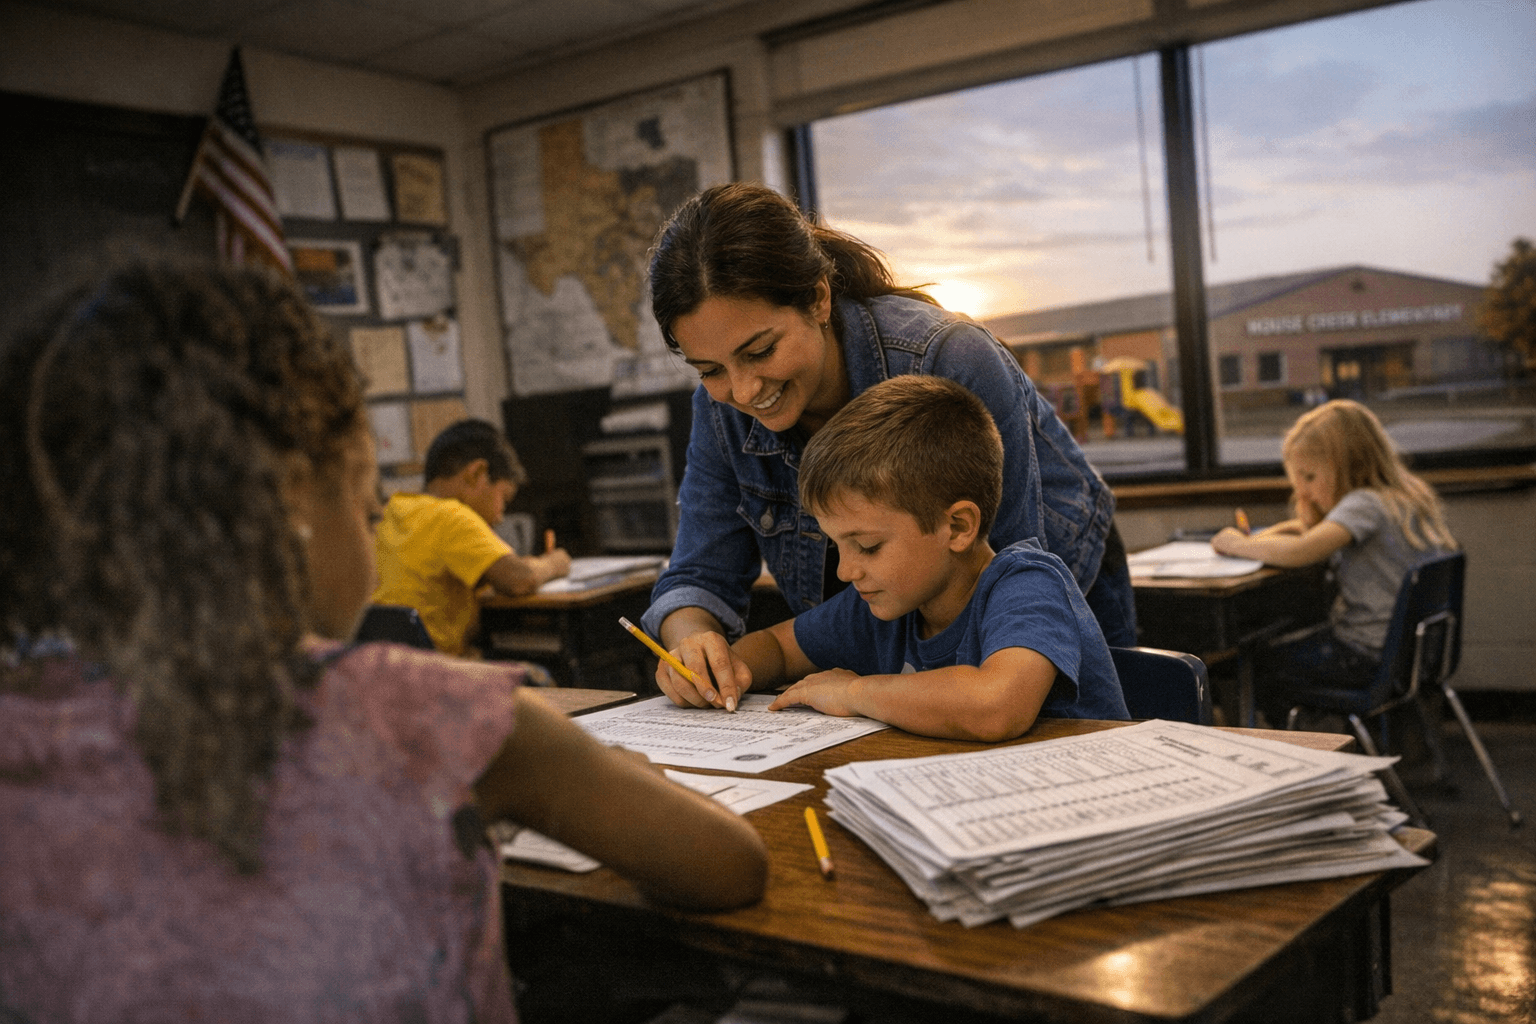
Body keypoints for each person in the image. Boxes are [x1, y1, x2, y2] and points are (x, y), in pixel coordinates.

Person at [0, 264, 767, 1024]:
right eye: (365, 502)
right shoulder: (430, 716)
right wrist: (602, 776)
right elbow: (729, 865)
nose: (373, 523)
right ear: (296, 495)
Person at [640, 183, 1137, 697]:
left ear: (818, 298)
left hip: (1038, 597)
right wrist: (694, 643)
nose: (742, 390)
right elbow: (701, 570)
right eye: (709, 370)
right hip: (899, 616)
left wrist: (858, 694)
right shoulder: (722, 409)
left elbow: (995, 579)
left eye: (761, 351)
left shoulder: (948, 358)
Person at [656, 375, 1128, 740]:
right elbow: (778, 649)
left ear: (958, 527)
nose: (845, 570)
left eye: (867, 546)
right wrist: (715, 669)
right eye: (838, 544)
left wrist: (855, 692)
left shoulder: (1026, 584)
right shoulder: (887, 603)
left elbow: (995, 705)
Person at [1211, 399, 1458, 724]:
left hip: (1366, 656)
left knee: (1255, 665)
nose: (1302, 489)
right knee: (1280, 651)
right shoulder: (1402, 497)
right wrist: (1260, 539)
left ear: (1349, 465)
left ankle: (1286, 749)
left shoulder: (1363, 505)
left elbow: (1302, 550)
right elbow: (1307, 531)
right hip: (1412, 654)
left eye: (1310, 477)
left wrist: (1237, 543)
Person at [372, 418, 573, 656]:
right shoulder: (451, 515)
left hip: (383, 670)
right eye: (504, 499)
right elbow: (519, 578)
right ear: (476, 473)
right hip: (436, 672)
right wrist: (556, 563)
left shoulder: (391, 509)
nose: (500, 516)